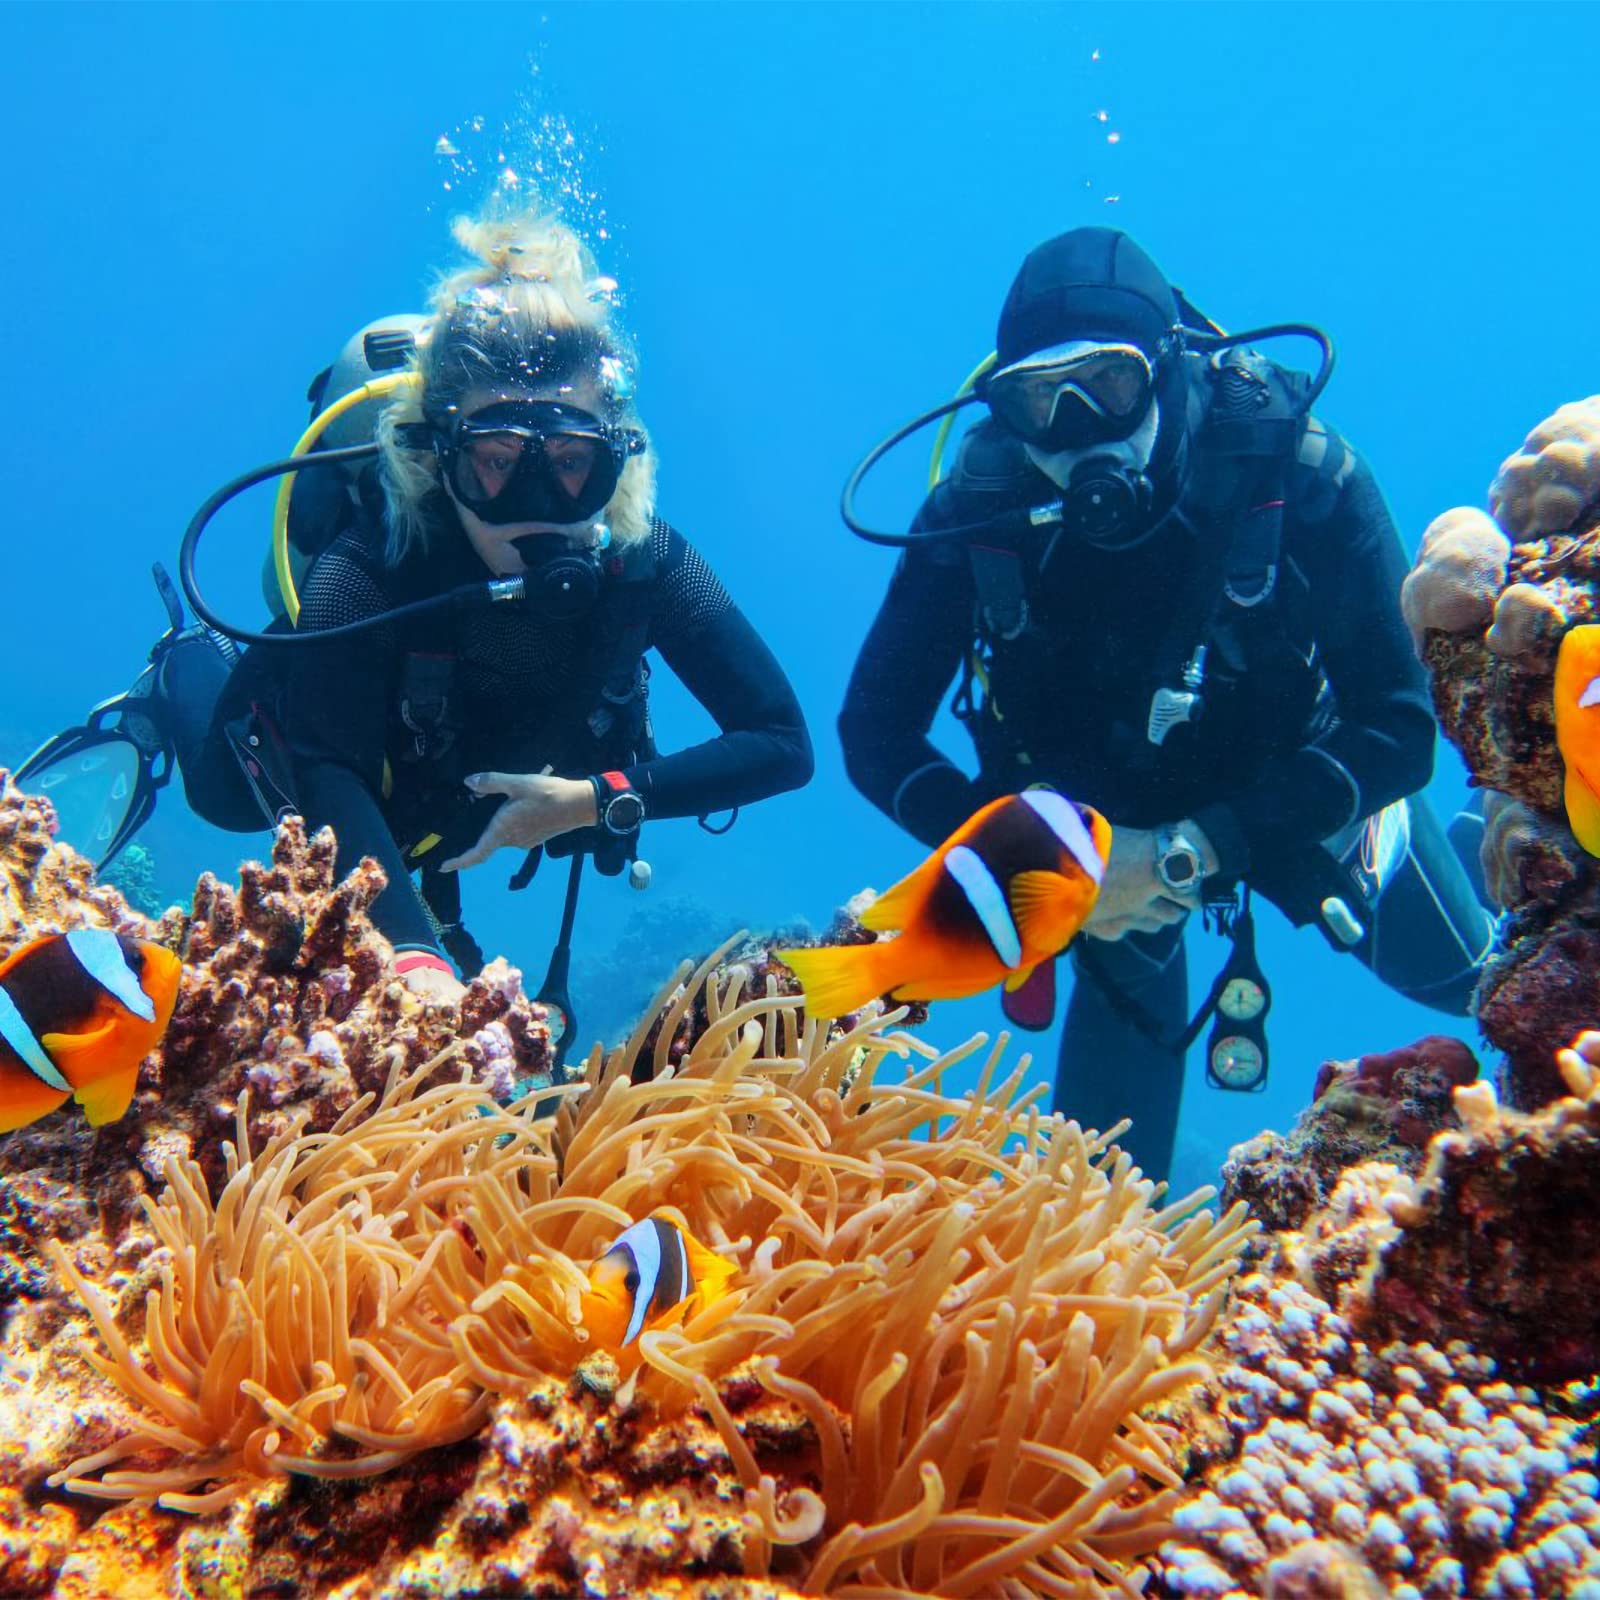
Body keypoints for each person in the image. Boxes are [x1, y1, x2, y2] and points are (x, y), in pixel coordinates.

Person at [23, 208, 812, 1012]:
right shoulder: (372, 562)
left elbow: (783, 744)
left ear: (618, 459)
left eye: (574, 464)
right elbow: (328, 766)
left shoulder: (648, 558)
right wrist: (413, 955)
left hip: (478, 780)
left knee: (441, 854)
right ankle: (179, 675)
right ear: (443, 460)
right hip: (364, 747)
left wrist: (594, 798)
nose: (538, 505)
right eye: (497, 463)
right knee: (225, 798)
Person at [837, 226, 1492, 1180]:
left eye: (1105, 385)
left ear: (1166, 365)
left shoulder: (1294, 472)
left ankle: (1490, 839)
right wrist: (1013, 850)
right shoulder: (976, 516)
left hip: (1290, 798)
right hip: (1098, 872)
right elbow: (873, 732)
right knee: (1104, 1185)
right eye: (1035, 399)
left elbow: (1398, 729)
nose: (1074, 431)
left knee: (1474, 984)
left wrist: (1195, 848)